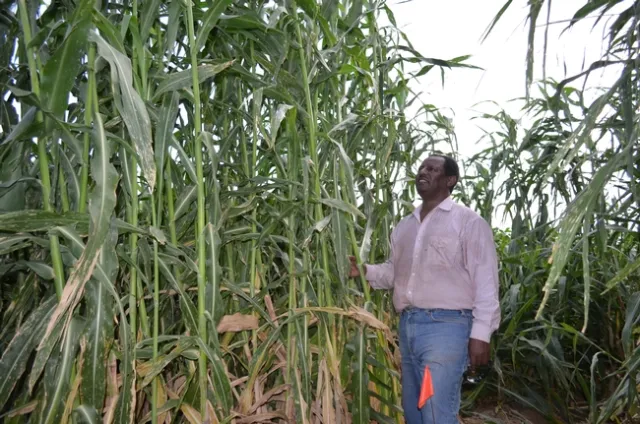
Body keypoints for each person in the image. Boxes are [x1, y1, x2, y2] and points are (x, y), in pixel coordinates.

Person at [349, 155, 500, 424]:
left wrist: (481, 334)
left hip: (447, 328)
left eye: (433, 169)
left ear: (450, 180)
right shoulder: (405, 226)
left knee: (435, 413)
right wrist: (364, 270)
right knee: (414, 413)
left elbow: (486, 281)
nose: (423, 172)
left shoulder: (468, 222)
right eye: (422, 167)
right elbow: (394, 273)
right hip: (408, 327)